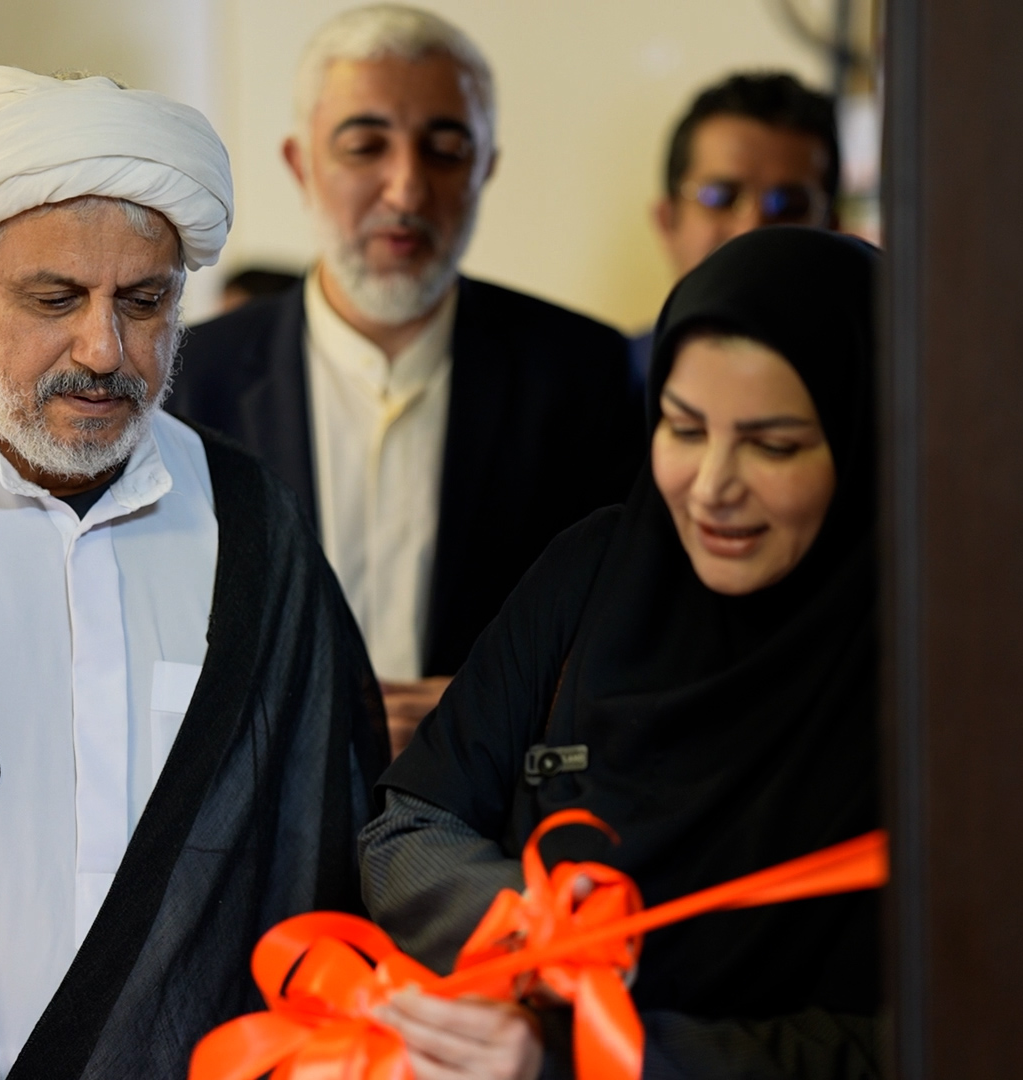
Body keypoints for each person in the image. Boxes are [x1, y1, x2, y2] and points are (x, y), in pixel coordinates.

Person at [0, 68, 389, 1079]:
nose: (104, 350)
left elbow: (324, 854)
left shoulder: (253, 528)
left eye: (145, 302)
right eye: (55, 298)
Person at [360, 227, 882, 1079]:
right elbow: (408, 832)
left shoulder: (927, 675)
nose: (712, 486)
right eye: (684, 428)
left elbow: (909, 1040)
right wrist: (542, 931)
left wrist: (582, 1055)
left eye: (773, 445)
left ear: (868, 440)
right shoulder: (593, 572)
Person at [169, 5, 643, 756]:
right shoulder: (193, 378)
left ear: (486, 166)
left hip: (488, 810)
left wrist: (493, 714)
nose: (406, 190)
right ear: (300, 163)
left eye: (446, 150)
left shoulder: (581, 373)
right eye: (365, 146)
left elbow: (626, 635)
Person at [630, 72, 842, 386]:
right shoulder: (601, 391)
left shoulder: (884, 397)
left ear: (833, 232)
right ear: (668, 220)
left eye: (789, 206)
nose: (750, 230)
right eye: (721, 197)